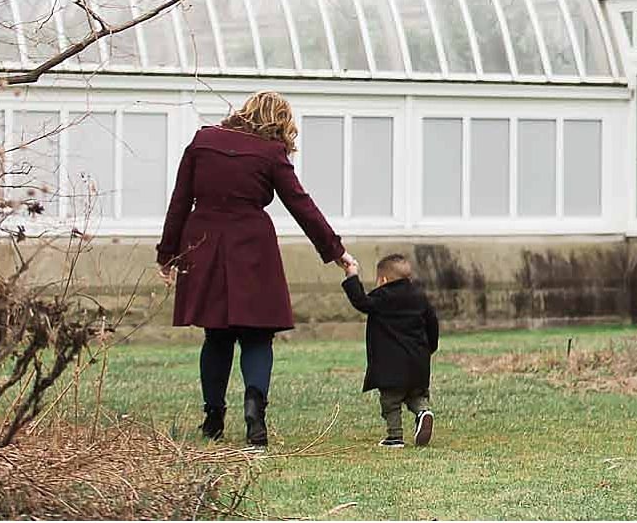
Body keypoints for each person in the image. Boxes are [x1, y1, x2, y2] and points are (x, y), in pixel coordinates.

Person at [156, 91, 351, 449]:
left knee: (216, 336)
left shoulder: (203, 141)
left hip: (204, 243)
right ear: (278, 122)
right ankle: (255, 413)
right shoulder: (270, 153)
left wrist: (167, 254)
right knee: (257, 337)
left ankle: (213, 417)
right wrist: (336, 252)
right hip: (253, 247)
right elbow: (301, 205)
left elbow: (180, 200)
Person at [340, 251, 440, 448]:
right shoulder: (420, 297)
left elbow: (361, 301)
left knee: (391, 402)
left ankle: (395, 437)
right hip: (418, 362)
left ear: (383, 279)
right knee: (415, 396)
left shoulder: (383, 296)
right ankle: (423, 412)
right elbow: (432, 324)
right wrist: (430, 348)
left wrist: (351, 275)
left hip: (391, 365)